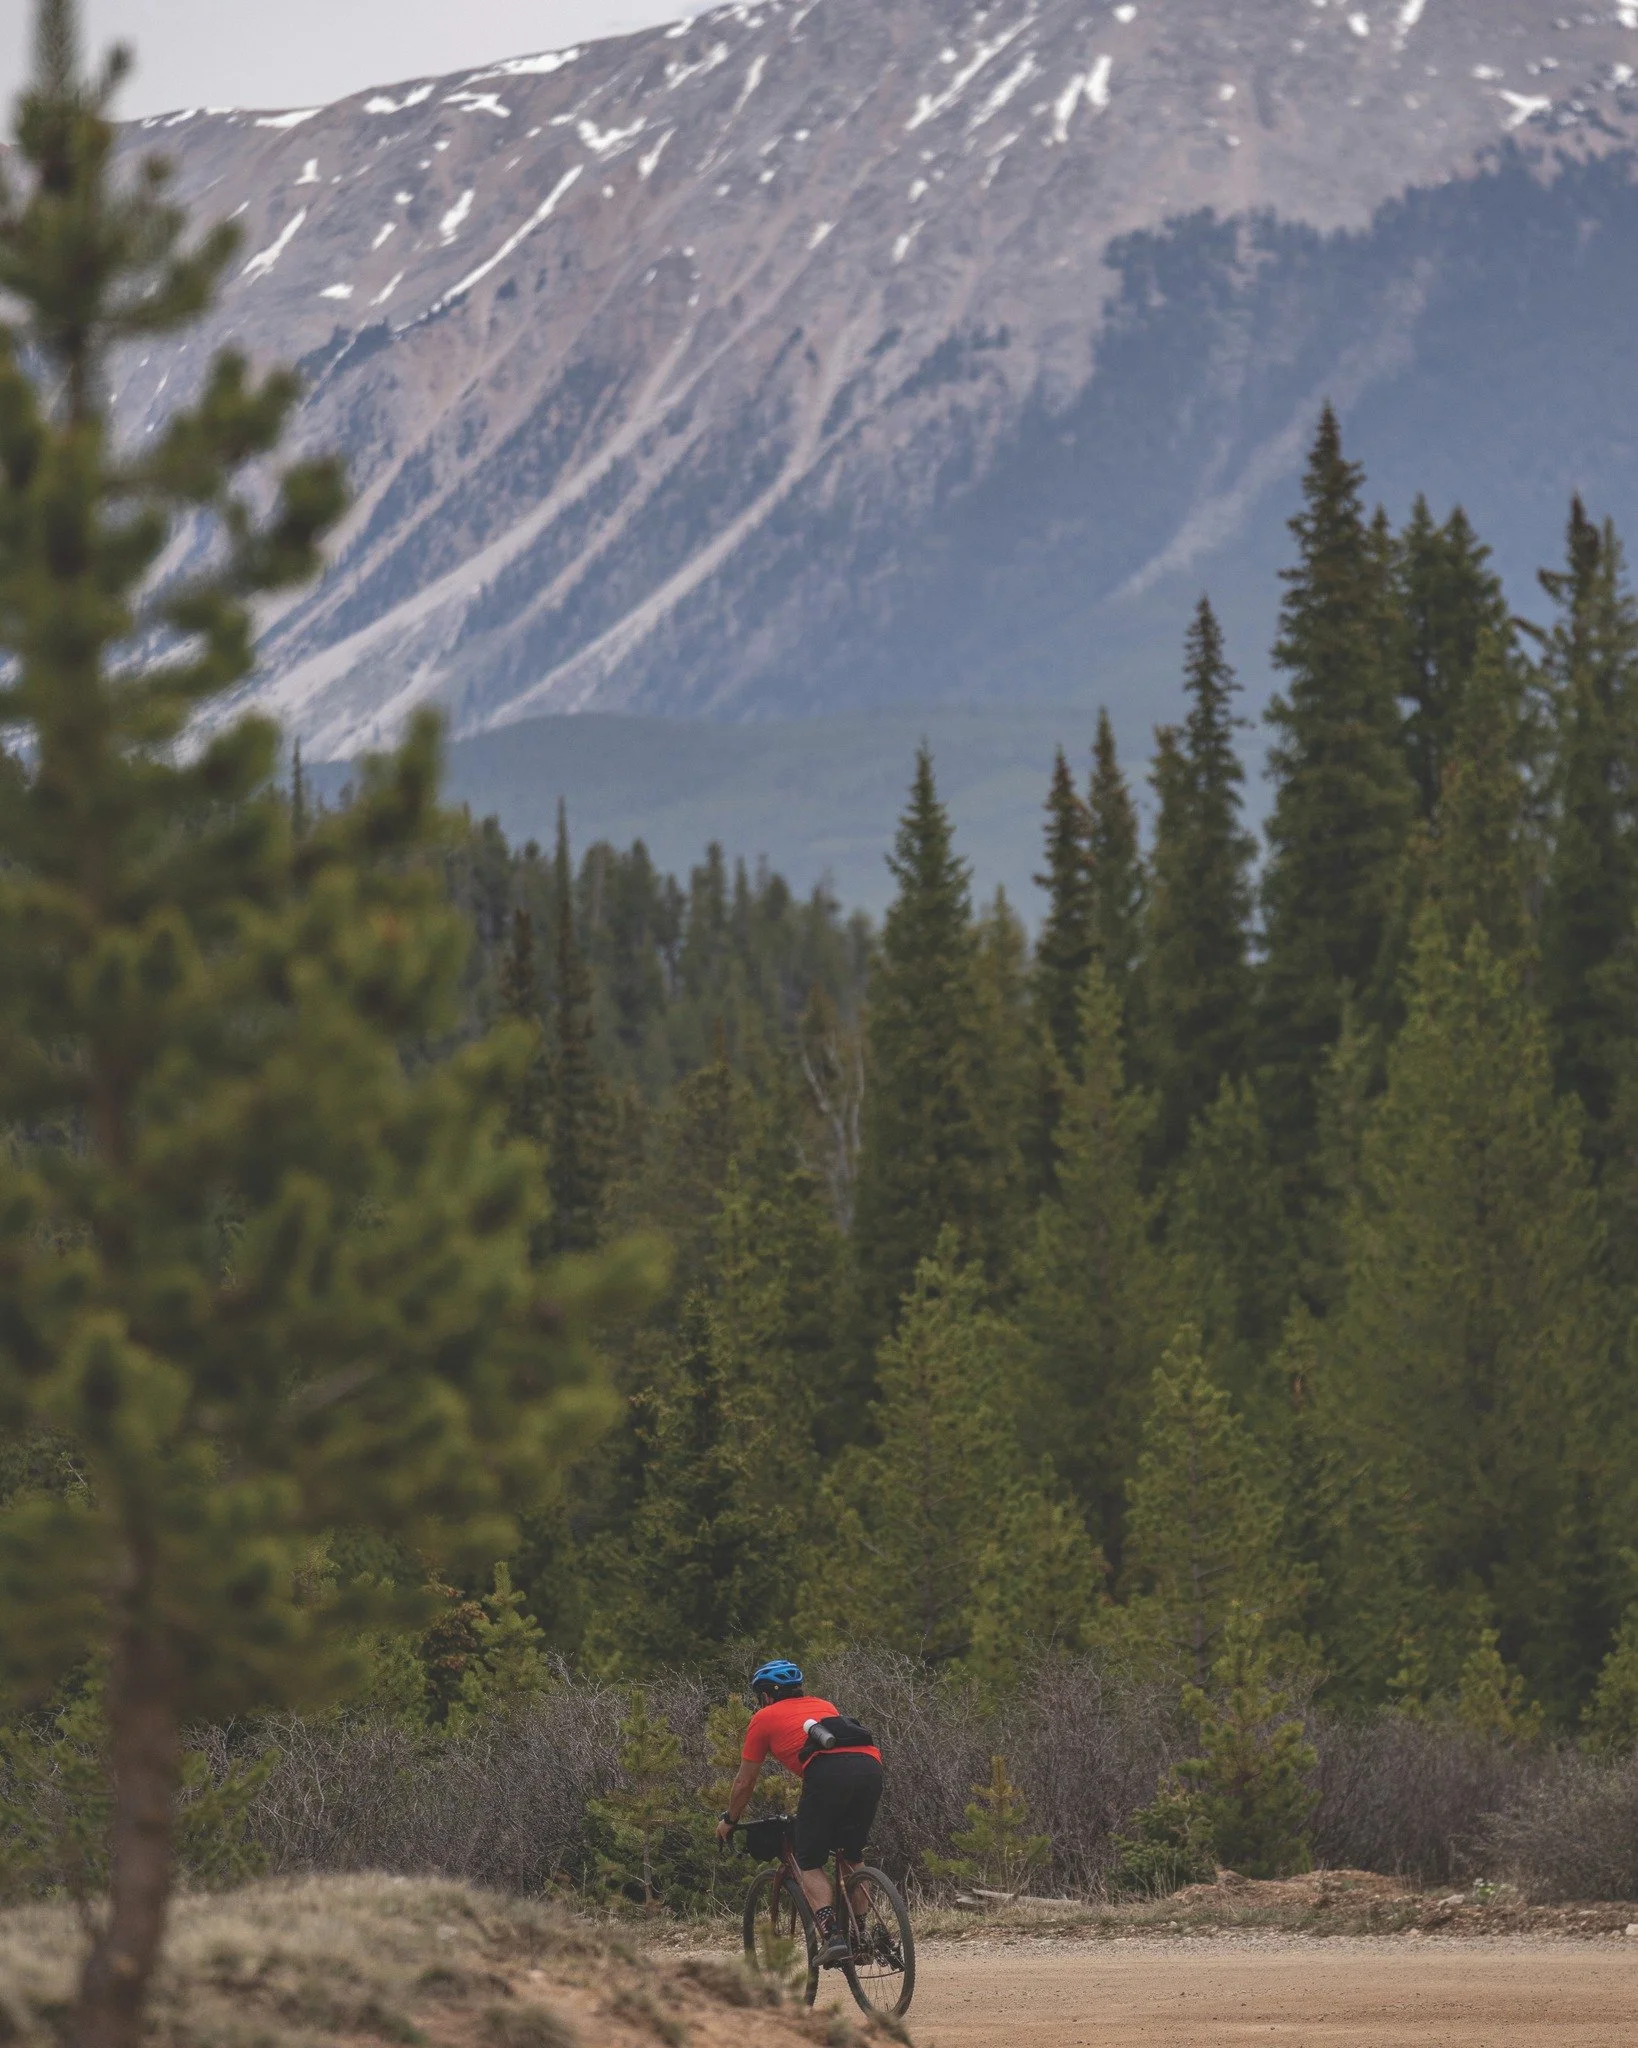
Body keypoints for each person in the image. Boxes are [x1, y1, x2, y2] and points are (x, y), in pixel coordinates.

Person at [716, 1658, 883, 1965]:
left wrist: (730, 1819)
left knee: (808, 1859)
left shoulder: (764, 1717)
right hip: (871, 1767)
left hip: (828, 1774)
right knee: (851, 1854)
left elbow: (744, 1781)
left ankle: (833, 1935)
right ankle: (863, 1936)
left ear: (765, 1695)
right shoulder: (826, 1705)